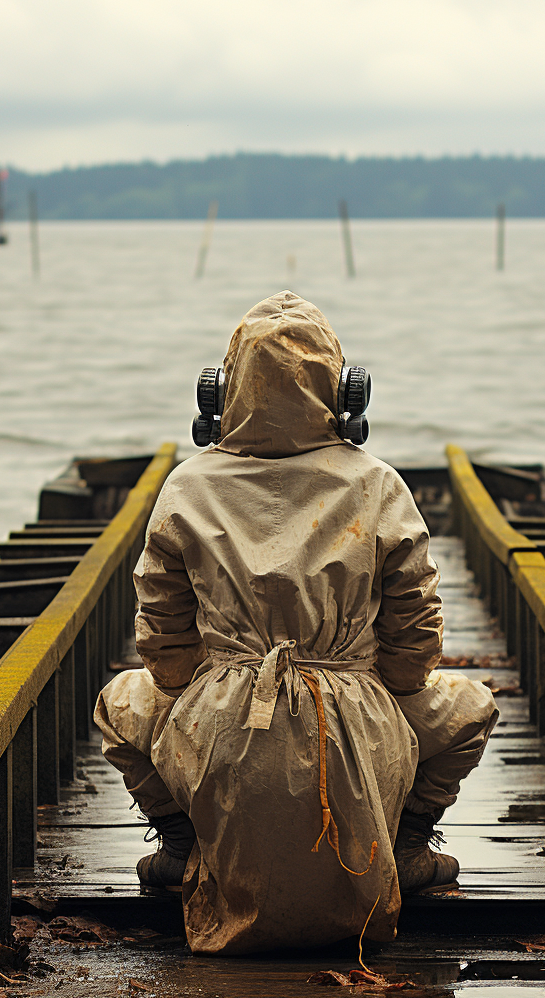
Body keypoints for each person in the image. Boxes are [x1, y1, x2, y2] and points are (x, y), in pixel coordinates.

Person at [94, 291, 497, 955]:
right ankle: (404, 849)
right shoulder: (377, 485)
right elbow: (417, 635)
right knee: (471, 708)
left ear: (221, 393)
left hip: (223, 713)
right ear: (345, 394)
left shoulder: (189, 487)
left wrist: (208, 687)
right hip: (358, 710)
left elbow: (162, 642)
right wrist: (380, 692)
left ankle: (184, 850)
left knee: (120, 707)